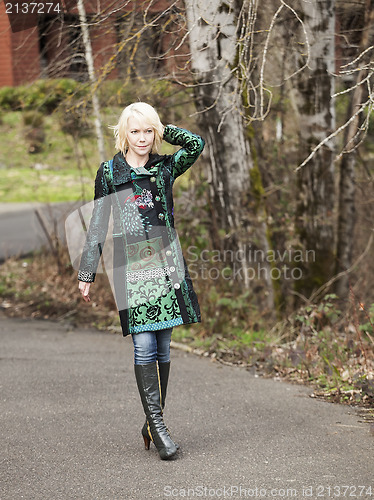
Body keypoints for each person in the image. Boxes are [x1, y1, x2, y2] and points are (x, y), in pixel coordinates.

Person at [77, 102, 205, 460]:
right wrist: (87, 272)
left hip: (166, 265)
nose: (143, 138)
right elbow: (98, 223)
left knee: (163, 348)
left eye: (149, 131)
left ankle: (151, 421)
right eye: (136, 131)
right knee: (144, 346)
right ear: (124, 134)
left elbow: (196, 144)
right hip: (131, 269)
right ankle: (160, 429)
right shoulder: (109, 172)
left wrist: (165, 127)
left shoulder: (165, 166)